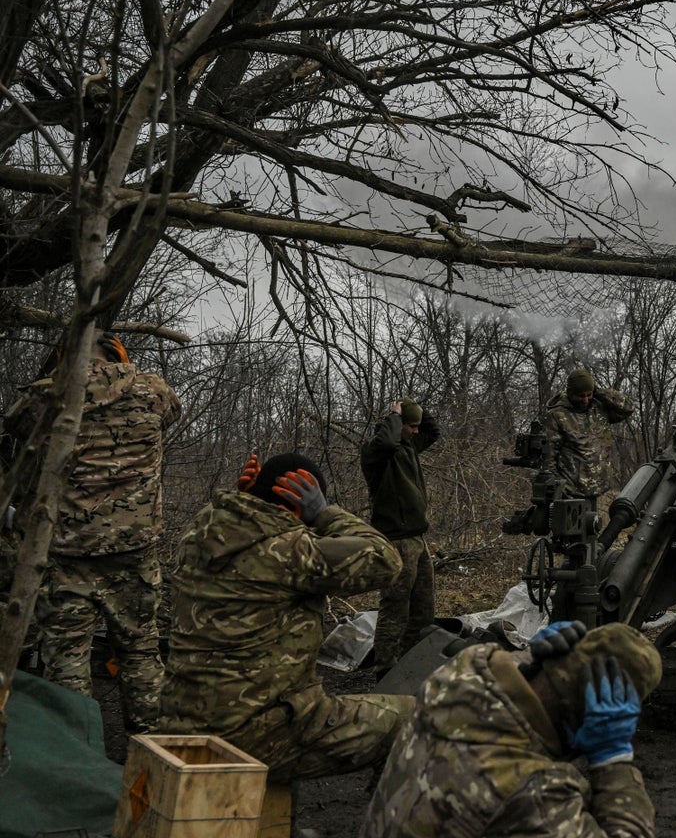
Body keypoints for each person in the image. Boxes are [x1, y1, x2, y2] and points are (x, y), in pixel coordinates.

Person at [159, 453, 414, 805]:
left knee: (288, 691)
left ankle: (277, 831)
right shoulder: (291, 552)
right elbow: (386, 560)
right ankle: (386, 831)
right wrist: (325, 513)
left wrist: (246, 501)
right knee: (413, 718)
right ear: (297, 507)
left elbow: (241, 523)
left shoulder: (197, 535)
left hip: (181, 722)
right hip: (248, 734)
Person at [351, 620, 661, 838]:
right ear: (590, 714)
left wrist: (529, 659)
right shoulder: (534, 793)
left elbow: (505, 670)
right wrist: (614, 758)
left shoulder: (463, 672)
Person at [2, 331, 180, 732]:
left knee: (66, 657)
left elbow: (16, 424)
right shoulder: (152, 389)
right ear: (119, 355)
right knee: (139, 650)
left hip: (66, 551)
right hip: (132, 547)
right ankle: (154, 755)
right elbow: (171, 413)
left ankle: (78, 760)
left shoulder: (48, 396)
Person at [361, 397, 441, 672]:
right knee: (395, 606)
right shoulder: (377, 453)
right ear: (397, 425)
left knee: (423, 607)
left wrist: (416, 405)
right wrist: (394, 417)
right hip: (395, 539)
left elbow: (433, 432)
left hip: (417, 538)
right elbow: (386, 442)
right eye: (411, 426)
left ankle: (412, 663)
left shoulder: (408, 446)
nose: (417, 432)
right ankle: (385, 668)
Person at [543, 368, 634, 506]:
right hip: (570, 492)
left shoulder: (599, 408)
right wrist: (557, 490)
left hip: (596, 488)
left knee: (592, 526)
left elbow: (628, 407)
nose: (585, 400)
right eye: (581, 396)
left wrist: (598, 391)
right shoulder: (558, 415)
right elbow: (549, 456)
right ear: (570, 393)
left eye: (589, 394)